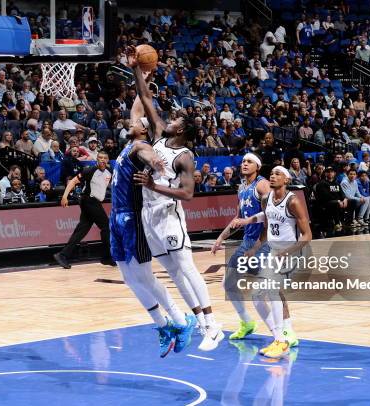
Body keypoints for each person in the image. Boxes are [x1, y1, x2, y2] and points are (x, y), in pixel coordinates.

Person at [131, 57, 221, 351]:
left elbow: (188, 194)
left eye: (176, 121)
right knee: (171, 272)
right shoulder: (157, 135)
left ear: (181, 130)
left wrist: (153, 185)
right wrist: (135, 68)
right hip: (149, 214)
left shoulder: (184, 156)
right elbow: (145, 97)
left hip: (170, 216)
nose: (169, 120)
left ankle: (213, 325)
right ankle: (198, 319)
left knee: (187, 267)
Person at [108, 72, 192, 358]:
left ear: (142, 130)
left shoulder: (141, 147)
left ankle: (180, 321)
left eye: (135, 124)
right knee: (129, 278)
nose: (130, 122)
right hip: (115, 218)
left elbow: (150, 157)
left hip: (133, 218)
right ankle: (161, 325)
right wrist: (141, 77)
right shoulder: (129, 144)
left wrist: (156, 164)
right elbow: (137, 107)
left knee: (144, 277)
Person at [212, 154, 298, 348]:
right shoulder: (242, 188)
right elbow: (238, 218)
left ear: (257, 167)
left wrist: (259, 246)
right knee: (228, 283)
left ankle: (286, 330)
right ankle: (247, 322)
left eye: (248, 162)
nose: (244, 164)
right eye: (242, 161)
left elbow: (269, 217)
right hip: (247, 241)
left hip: (264, 242)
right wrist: (221, 238)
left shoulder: (262, 186)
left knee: (271, 289)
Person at [235, 165, 311, 358]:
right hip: (273, 251)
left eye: (278, 174)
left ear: (286, 180)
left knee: (272, 290)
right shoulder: (265, 199)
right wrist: (254, 248)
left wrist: (287, 251)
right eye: (272, 173)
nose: (273, 176)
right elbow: (266, 223)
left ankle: (282, 340)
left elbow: (307, 234)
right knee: (256, 296)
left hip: (291, 252)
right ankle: (278, 337)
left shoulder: (292, 201)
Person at [54, 152, 114, 268]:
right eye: (100, 157)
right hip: (89, 201)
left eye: (105, 158)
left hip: (94, 202)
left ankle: (63, 255)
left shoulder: (109, 173)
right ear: (97, 159)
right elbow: (73, 181)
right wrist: (65, 196)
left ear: (108, 160)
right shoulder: (89, 170)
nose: (102, 160)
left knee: (82, 230)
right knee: (106, 227)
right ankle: (107, 257)